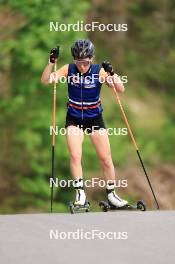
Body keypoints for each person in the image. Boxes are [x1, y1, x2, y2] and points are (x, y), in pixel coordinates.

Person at [41, 39, 128, 208]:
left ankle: (112, 195)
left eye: (85, 62)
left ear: (91, 58)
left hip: (94, 118)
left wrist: (112, 73)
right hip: (74, 119)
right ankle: (80, 194)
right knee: (75, 155)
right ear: (74, 60)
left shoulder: (98, 72)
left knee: (105, 159)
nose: (82, 66)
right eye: (79, 62)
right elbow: (46, 80)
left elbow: (120, 88)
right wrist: (51, 63)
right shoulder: (68, 69)